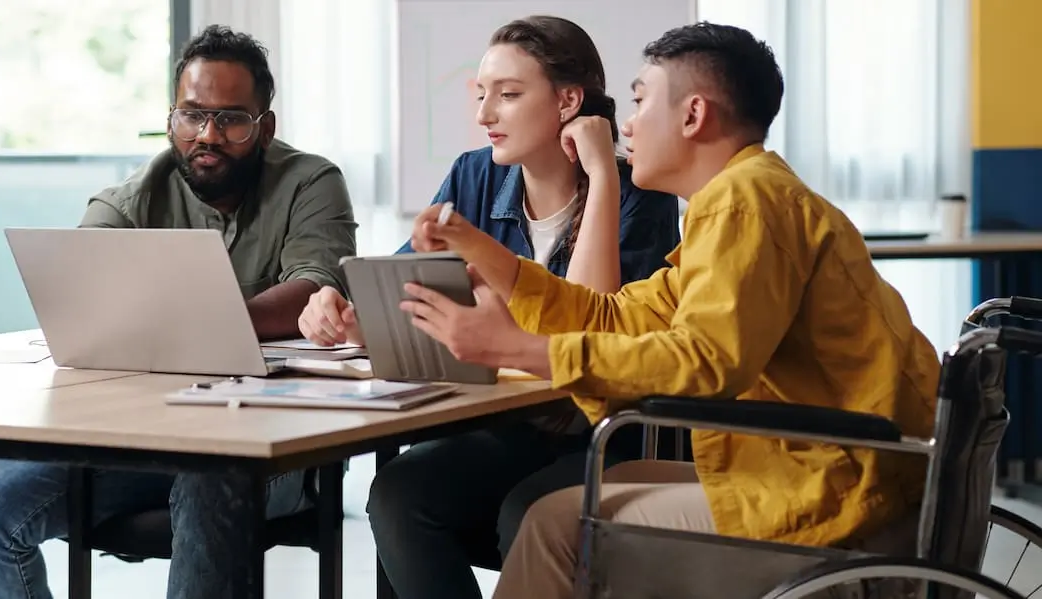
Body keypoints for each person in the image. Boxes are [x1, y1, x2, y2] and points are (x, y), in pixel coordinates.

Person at [397, 22, 941, 599]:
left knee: (555, 526)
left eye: (640, 100)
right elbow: (616, 316)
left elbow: (705, 363)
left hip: (845, 493)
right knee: (572, 501)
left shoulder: (744, 203)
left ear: (693, 115)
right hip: (834, 469)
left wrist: (513, 347)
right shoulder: (742, 196)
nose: (625, 124)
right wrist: (487, 254)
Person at [0, 25, 357, 599]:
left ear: (265, 127)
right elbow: (80, 301)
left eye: (231, 119)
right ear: (171, 120)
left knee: (210, 475)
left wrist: (183, 311)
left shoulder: (311, 182)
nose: (207, 135)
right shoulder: (126, 201)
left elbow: (316, 288)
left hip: (272, 444)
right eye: (192, 116)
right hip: (136, 437)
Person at [296, 15, 679, 599]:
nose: (484, 115)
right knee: (400, 492)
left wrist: (602, 174)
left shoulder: (639, 192)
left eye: (508, 94)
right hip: (507, 422)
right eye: (482, 95)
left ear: (568, 101)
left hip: (603, 431)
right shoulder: (472, 175)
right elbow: (406, 285)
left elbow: (589, 318)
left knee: (525, 515)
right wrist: (351, 312)